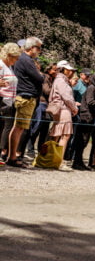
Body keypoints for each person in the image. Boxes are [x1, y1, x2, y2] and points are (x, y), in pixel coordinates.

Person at [7, 37, 44, 167]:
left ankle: (12, 155)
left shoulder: (24, 59)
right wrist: (40, 74)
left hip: (25, 95)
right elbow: (39, 78)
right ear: (31, 47)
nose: (40, 51)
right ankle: (13, 156)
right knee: (19, 127)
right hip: (26, 97)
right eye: (38, 48)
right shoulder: (26, 60)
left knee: (19, 127)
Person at [47, 61, 78, 171]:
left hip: (62, 108)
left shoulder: (61, 80)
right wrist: (74, 108)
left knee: (58, 134)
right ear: (63, 69)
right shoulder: (61, 80)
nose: (71, 72)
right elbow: (66, 97)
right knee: (65, 135)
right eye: (68, 69)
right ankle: (58, 161)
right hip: (63, 109)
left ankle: (53, 159)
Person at [0, 43, 22, 165]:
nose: (17, 60)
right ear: (9, 55)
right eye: (15, 57)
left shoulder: (9, 66)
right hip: (3, 100)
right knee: (5, 128)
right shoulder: (1, 65)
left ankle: (3, 153)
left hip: (9, 101)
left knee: (6, 127)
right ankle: (2, 153)